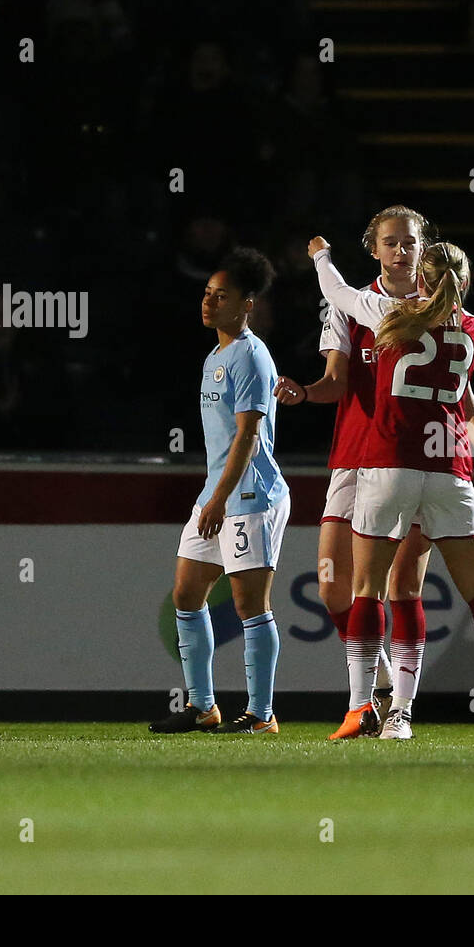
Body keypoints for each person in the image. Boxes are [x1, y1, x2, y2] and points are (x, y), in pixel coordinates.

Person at [275, 207, 474, 740]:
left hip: (412, 460)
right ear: (374, 249)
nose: (401, 251)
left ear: (424, 250)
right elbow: (336, 380)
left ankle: (394, 710)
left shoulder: (439, 308)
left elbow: (463, 390)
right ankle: (378, 688)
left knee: (402, 586)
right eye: (391, 243)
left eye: (410, 243)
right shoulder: (352, 306)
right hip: (355, 455)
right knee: (335, 589)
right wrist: (307, 392)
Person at [149, 247, 292, 735]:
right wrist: (212, 496)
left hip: (251, 494)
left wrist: (218, 499)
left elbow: (249, 437)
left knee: (251, 605)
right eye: (207, 294)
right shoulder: (217, 353)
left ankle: (262, 714)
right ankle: (203, 705)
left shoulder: (252, 354)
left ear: (246, 303)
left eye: (221, 296)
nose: (209, 303)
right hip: (217, 492)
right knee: (186, 594)